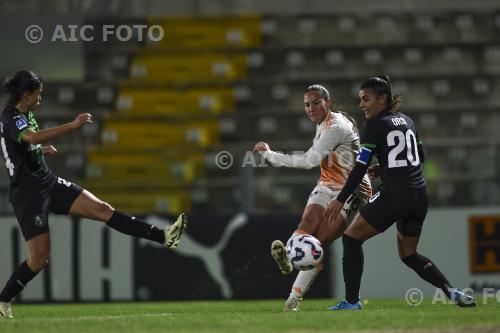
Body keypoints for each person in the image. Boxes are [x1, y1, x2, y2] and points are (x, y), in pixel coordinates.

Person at [0, 70, 188, 318]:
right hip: (28, 194)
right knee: (39, 260)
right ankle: (3, 300)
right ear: (26, 95)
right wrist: (72, 125)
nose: (40, 99)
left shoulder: (26, 114)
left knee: (103, 210)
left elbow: (25, 144)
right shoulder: (12, 118)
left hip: (49, 182)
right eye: (38, 94)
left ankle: (164, 236)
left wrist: (41, 150)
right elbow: (30, 136)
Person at [323, 75, 476, 310]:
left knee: (351, 238)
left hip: (395, 195)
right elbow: (419, 158)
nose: (361, 105)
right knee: (408, 254)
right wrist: (383, 166)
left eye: (366, 99)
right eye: (360, 100)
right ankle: (451, 291)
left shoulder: (374, 125)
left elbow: (360, 167)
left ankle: (352, 302)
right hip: (419, 195)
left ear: (382, 99)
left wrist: (340, 199)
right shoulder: (407, 121)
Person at [253, 84, 372, 311]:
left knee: (320, 241)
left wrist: (270, 155)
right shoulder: (324, 123)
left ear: (328, 103)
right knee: (305, 226)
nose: (311, 108)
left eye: (316, 103)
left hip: (353, 190)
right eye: (307, 104)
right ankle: (289, 258)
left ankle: (292, 300)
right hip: (327, 185)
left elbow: (309, 161)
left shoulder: (335, 127)